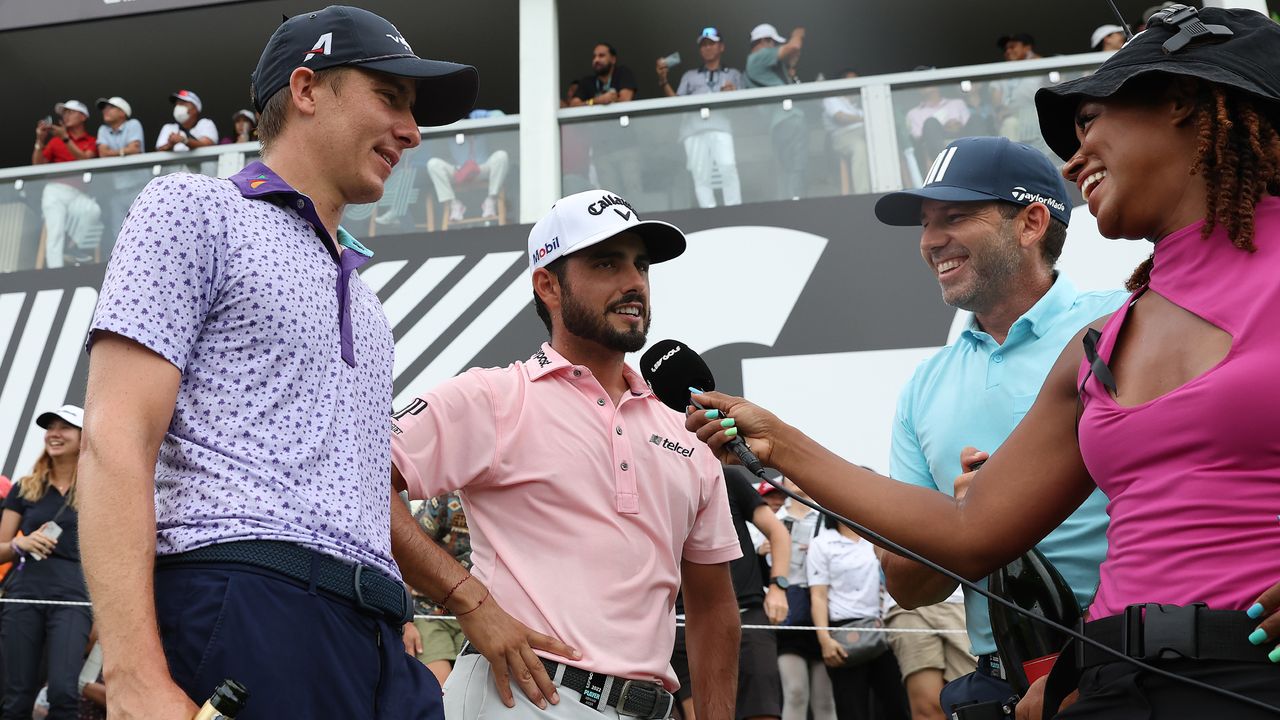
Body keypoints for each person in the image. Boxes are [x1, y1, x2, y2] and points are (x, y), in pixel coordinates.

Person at [688, 6, 1280, 717]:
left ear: (1183, 100)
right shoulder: (1101, 344)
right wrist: (779, 442)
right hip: (1109, 685)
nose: (1072, 159)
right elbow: (969, 538)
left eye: (1089, 120)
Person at [77, 6, 484, 718]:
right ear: (305, 89)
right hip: (246, 600)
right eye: (390, 98)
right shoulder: (192, 208)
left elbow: (360, 489)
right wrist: (135, 675)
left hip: (378, 634)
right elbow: (115, 436)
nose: (413, 133)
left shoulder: (365, 297)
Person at [390, 189, 743, 720]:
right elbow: (352, 476)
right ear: (548, 285)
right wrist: (470, 600)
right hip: (521, 697)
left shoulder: (688, 432)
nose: (633, 283)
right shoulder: (494, 396)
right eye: (606, 262)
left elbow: (714, 606)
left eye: (641, 265)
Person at [873, 135, 1125, 715]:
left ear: (1032, 222)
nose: (931, 241)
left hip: (1133, 664)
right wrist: (959, 523)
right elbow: (910, 589)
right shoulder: (923, 388)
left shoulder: (1124, 323)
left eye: (955, 216)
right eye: (926, 222)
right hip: (1001, 682)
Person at [672, 465, 790, 720]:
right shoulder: (658, 477)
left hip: (748, 616)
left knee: (763, 712)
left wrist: (778, 587)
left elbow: (778, 531)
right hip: (682, 623)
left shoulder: (727, 477)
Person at [0, 406, 92, 720]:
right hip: (24, 595)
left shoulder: (98, 490)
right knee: (16, 696)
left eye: (65, 427)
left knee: (64, 694)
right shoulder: (25, 487)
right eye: (50, 427)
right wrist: (19, 543)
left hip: (73, 600)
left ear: (85, 437)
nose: (54, 433)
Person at [807, 513, 909, 720]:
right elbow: (818, 595)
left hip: (884, 627)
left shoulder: (878, 539)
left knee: (896, 706)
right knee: (851, 710)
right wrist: (824, 639)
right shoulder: (821, 543)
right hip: (843, 634)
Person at [656, 26, 744, 208]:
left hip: (722, 127)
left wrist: (733, 93)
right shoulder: (690, 76)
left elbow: (745, 105)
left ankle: (735, 209)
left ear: (721, 47)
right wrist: (664, 81)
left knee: (728, 167)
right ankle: (708, 210)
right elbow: (677, 104)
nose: (707, 48)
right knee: (700, 173)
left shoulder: (733, 74)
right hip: (693, 130)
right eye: (703, 45)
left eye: (711, 43)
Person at [775, 478, 837, 720]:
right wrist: (766, 550)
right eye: (786, 475)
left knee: (825, 698)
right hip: (789, 608)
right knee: (795, 691)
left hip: (825, 607)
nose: (793, 479)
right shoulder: (774, 520)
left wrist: (821, 553)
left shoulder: (827, 519)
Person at [400, 492, 471, 686]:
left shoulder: (501, 508)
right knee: (440, 686)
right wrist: (405, 622)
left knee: (471, 686)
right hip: (429, 612)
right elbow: (405, 554)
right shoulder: (444, 501)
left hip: (473, 613)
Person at [32, 100, 103, 268]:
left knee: (93, 210)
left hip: (78, 193)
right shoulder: (55, 141)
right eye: (64, 113)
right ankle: (55, 272)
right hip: (55, 190)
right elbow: (37, 166)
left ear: (83, 116)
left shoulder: (91, 140)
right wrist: (40, 140)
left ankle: (72, 248)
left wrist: (65, 138)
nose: (65, 116)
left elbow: (86, 159)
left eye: (70, 112)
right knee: (55, 231)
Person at [744, 23, 808, 201]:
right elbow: (794, 46)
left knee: (789, 168)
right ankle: (797, 201)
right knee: (796, 167)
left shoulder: (763, 66)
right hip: (787, 119)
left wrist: (791, 68)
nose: (774, 48)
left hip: (780, 123)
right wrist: (797, 33)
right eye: (773, 43)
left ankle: (794, 199)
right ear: (765, 41)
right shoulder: (758, 57)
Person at [570, 44, 642, 197]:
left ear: (613, 59)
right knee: (611, 197)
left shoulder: (623, 73)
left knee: (634, 192)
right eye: (594, 56)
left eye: (602, 55)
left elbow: (625, 99)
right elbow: (573, 105)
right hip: (601, 149)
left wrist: (591, 103)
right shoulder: (587, 82)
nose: (596, 59)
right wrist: (597, 101)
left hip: (626, 145)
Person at [425, 119, 510, 223]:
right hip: (458, 171)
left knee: (501, 156)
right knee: (433, 163)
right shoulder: (451, 121)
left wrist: (474, 119)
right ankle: (454, 205)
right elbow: (432, 126)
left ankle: (491, 200)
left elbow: (500, 117)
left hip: (481, 168)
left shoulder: (477, 116)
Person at [822, 69, 869, 195]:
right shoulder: (832, 98)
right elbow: (840, 117)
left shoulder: (860, 102)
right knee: (859, 147)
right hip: (843, 137)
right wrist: (865, 119)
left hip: (865, 133)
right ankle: (863, 193)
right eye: (850, 81)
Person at [154, 89, 218, 151]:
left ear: (195, 109)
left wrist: (183, 140)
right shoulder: (169, 128)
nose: (178, 107)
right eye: (177, 104)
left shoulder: (205, 123)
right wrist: (170, 144)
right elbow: (159, 151)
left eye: (182, 103)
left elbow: (207, 145)